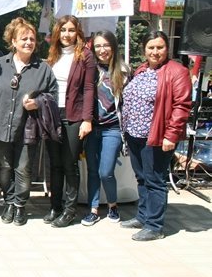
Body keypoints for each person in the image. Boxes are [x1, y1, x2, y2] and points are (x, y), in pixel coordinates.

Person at [120, 31, 191, 241]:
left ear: (167, 48)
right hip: (134, 134)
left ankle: (155, 226)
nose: (155, 51)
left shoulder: (177, 71)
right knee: (142, 178)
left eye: (160, 47)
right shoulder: (142, 70)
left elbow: (182, 106)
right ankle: (143, 216)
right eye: (151, 47)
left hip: (157, 136)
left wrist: (171, 135)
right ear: (144, 49)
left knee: (155, 180)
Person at [0, 18, 58, 226]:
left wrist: (37, 102)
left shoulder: (43, 68)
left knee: (23, 168)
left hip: (28, 127)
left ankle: (20, 205)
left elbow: (54, 94)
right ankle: (9, 202)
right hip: (2, 124)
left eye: (32, 39)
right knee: (5, 167)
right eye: (24, 39)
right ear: (13, 41)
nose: (29, 42)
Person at [44, 15, 96, 228]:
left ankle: (70, 210)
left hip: (74, 115)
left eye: (71, 30)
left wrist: (87, 119)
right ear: (57, 32)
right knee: (55, 164)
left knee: (69, 163)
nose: (67, 34)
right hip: (52, 114)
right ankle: (55, 207)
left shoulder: (85, 55)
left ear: (78, 32)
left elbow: (89, 88)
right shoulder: (53, 54)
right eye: (63, 30)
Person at [82, 30, 131, 226]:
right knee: (92, 170)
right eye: (98, 46)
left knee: (106, 171)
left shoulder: (124, 71)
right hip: (91, 127)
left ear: (113, 46)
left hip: (112, 128)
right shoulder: (90, 69)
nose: (102, 50)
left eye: (106, 45)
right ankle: (93, 210)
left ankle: (112, 205)